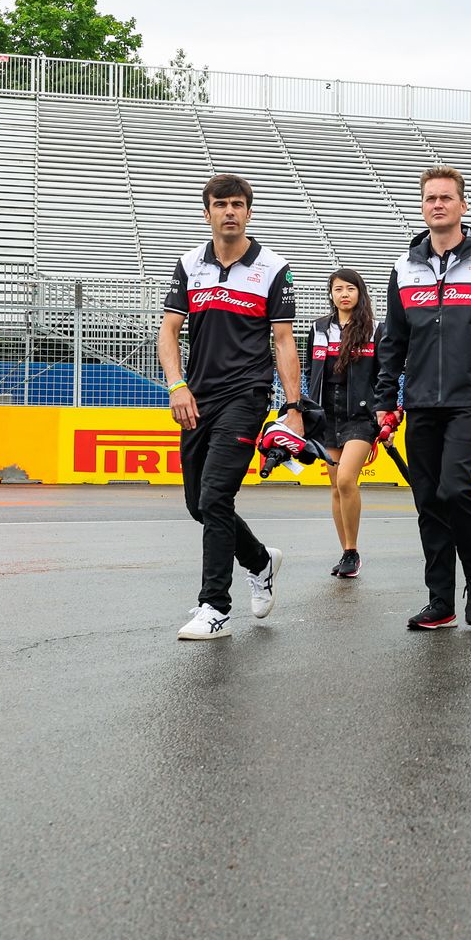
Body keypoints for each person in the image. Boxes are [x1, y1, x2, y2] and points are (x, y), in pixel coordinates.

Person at [376, 166, 471, 631]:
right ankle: (440, 600)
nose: (437, 204)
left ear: (462, 205)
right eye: (430, 198)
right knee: (428, 500)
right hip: (421, 400)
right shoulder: (404, 267)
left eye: (446, 197)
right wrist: (385, 398)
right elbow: (393, 341)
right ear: (422, 207)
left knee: (454, 487)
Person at [158, 173, 305, 640]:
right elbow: (168, 332)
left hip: (246, 396)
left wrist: (294, 407)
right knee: (198, 505)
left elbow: (283, 341)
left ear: (248, 212)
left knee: (216, 497)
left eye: (237, 204)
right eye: (220, 204)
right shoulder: (189, 263)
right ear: (207, 213)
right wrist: (177, 386)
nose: (229, 212)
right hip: (195, 398)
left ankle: (215, 607)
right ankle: (260, 561)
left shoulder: (274, 267)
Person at [309, 268, 384, 577]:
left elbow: (384, 374)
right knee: (335, 488)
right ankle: (347, 553)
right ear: (331, 294)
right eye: (338, 289)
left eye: (350, 289)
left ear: (360, 293)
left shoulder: (375, 329)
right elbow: (311, 371)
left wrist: (383, 412)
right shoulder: (319, 328)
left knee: (345, 480)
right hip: (326, 416)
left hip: (360, 417)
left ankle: (352, 549)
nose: (344, 294)